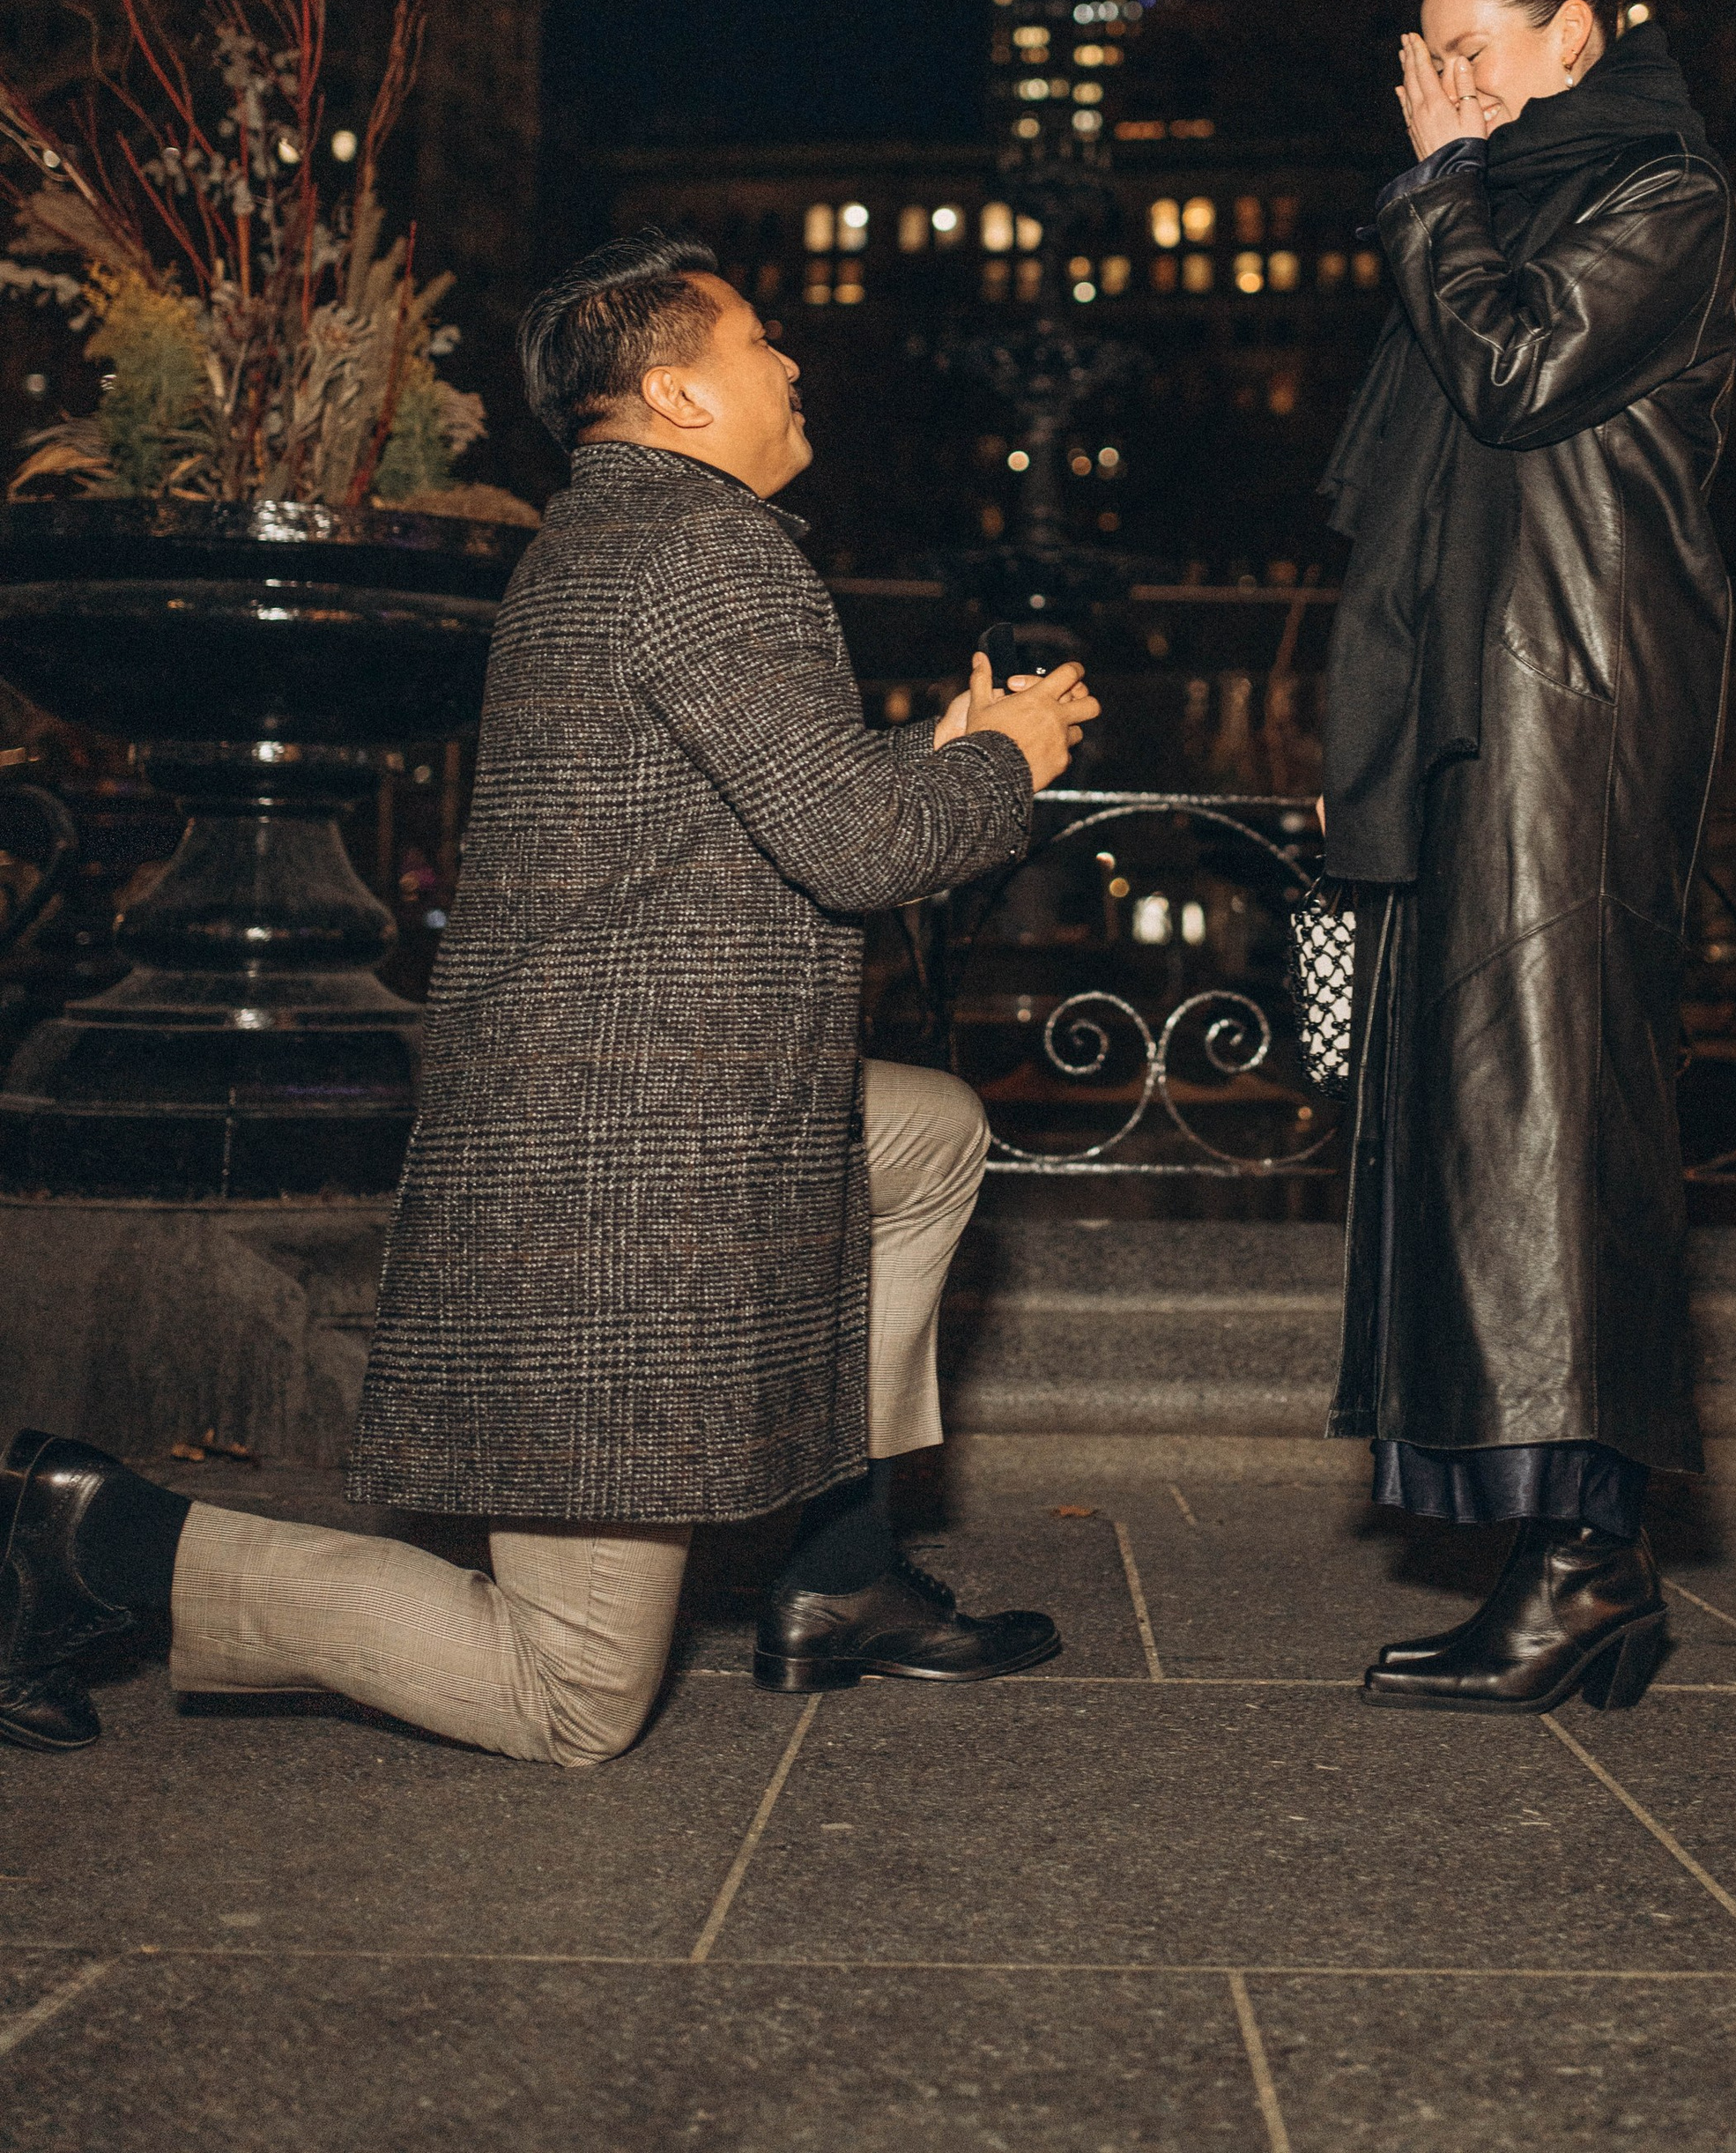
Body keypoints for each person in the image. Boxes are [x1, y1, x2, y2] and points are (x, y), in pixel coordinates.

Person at [2, 230, 1096, 1761]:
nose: (789, 362)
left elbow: (748, 800)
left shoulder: (606, 538)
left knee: (924, 1133)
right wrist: (1003, 769)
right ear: (679, 393)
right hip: (621, 1182)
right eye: (758, 340)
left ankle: (838, 1565)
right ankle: (93, 1538)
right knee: (570, 1695)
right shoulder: (713, 551)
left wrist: (937, 749)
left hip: (615, 1102)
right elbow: (857, 852)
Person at [1319, 0, 1736, 1716]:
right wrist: (1456, 199)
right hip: (1488, 701)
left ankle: (1582, 1563)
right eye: (1427, 59)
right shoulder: (1525, 199)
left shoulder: (1661, 195)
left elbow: (1510, 376)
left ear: (1574, 36)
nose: (1444, 88)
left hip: (1571, 695)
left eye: (1473, 51)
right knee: (1491, 1117)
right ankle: (1574, 1562)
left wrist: (1435, 195)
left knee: (1551, 1113)